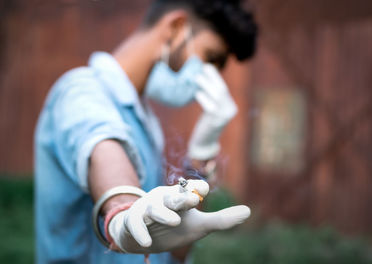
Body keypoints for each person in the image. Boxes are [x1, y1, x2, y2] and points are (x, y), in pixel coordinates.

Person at [34, 0, 258, 263]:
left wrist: (200, 158)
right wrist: (124, 211)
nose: (211, 75)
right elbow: (103, 149)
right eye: (210, 58)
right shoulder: (81, 91)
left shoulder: (145, 119)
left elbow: (175, 246)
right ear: (176, 27)